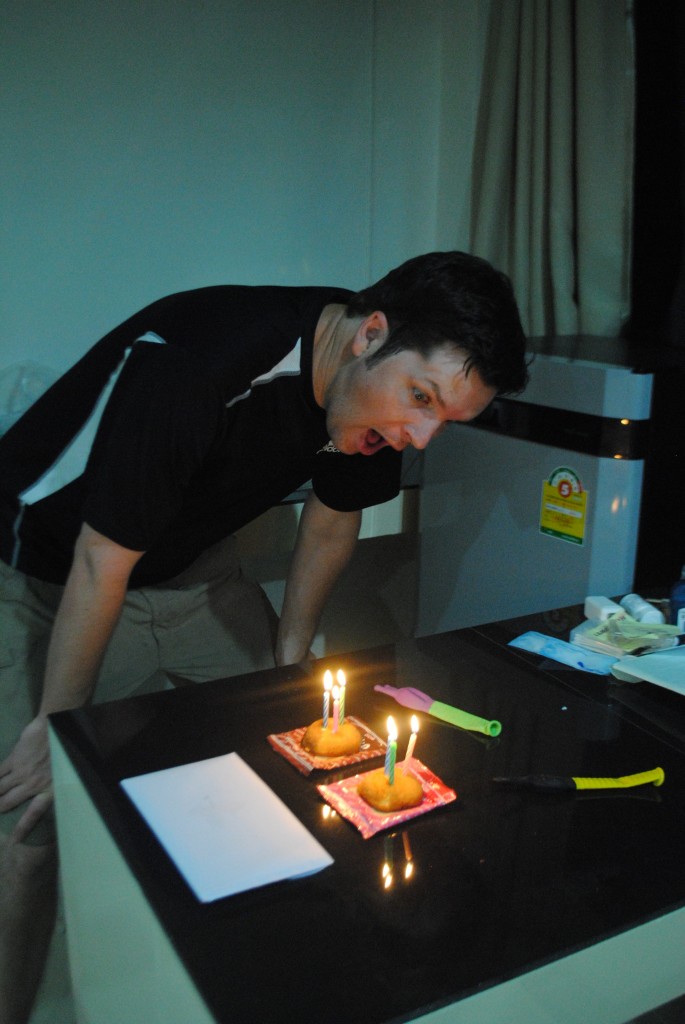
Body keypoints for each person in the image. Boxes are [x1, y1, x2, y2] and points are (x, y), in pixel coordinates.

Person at [0, 250, 527, 840]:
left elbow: (331, 517)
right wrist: (57, 726)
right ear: (370, 334)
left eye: (446, 420)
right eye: (422, 398)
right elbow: (100, 565)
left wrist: (290, 654)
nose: (423, 437)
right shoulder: (200, 366)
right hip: (46, 572)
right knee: (32, 819)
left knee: (297, 735)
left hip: (193, 570)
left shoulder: (369, 401)